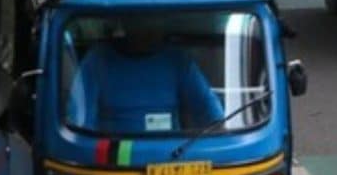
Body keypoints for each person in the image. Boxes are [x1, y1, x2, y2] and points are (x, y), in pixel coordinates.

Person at [66, 20, 224, 134]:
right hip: (112, 160)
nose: (147, 30)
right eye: (140, 22)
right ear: (125, 23)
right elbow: (80, 124)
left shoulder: (176, 59)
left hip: (171, 158)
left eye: (153, 23)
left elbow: (210, 112)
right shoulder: (97, 60)